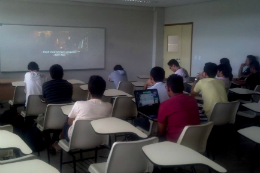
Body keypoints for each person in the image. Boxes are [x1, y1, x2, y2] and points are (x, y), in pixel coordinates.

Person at [61, 75, 112, 143]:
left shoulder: (78, 104)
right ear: (104, 90)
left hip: (76, 139)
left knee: (68, 119)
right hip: (99, 138)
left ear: (88, 90)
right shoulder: (109, 106)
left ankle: (59, 143)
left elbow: (70, 123)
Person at [157, 74, 200, 142]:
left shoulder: (164, 105)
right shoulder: (193, 100)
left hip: (175, 144)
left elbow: (161, 132)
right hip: (195, 141)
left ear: (168, 88)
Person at [41, 64, 73, 152]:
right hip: (65, 119)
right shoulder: (69, 85)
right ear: (63, 74)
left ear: (50, 75)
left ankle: (49, 143)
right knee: (60, 118)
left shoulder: (45, 85)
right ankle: (55, 140)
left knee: (39, 120)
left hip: (50, 119)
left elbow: (44, 99)